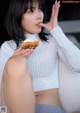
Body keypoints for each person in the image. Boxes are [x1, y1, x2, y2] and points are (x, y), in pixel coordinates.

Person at [0, 0, 80, 113]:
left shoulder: (52, 42)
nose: (39, 16)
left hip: (47, 107)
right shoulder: (8, 47)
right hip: (15, 108)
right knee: (16, 63)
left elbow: (78, 65)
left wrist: (56, 30)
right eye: (31, 11)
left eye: (40, 9)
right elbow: (1, 90)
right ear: (18, 15)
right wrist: (13, 61)